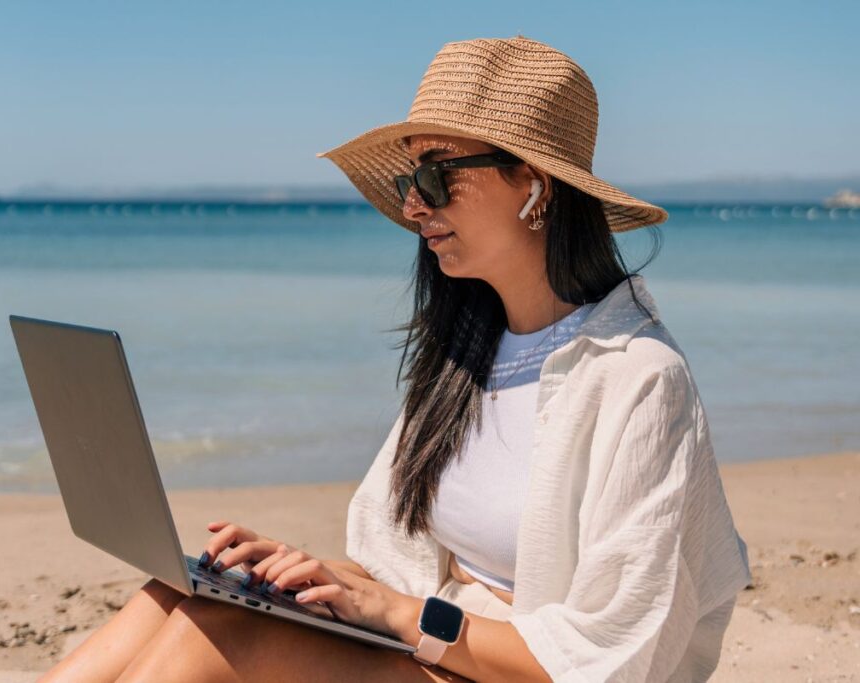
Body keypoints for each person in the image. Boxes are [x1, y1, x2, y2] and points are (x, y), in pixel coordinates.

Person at [39, 34, 751, 682]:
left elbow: (610, 654)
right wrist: (305, 574)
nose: (414, 206)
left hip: (515, 671)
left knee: (218, 637)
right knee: (183, 591)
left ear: (533, 184)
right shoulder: (466, 355)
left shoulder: (640, 381)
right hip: (437, 652)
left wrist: (398, 613)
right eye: (412, 180)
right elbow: (393, 572)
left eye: (437, 176)